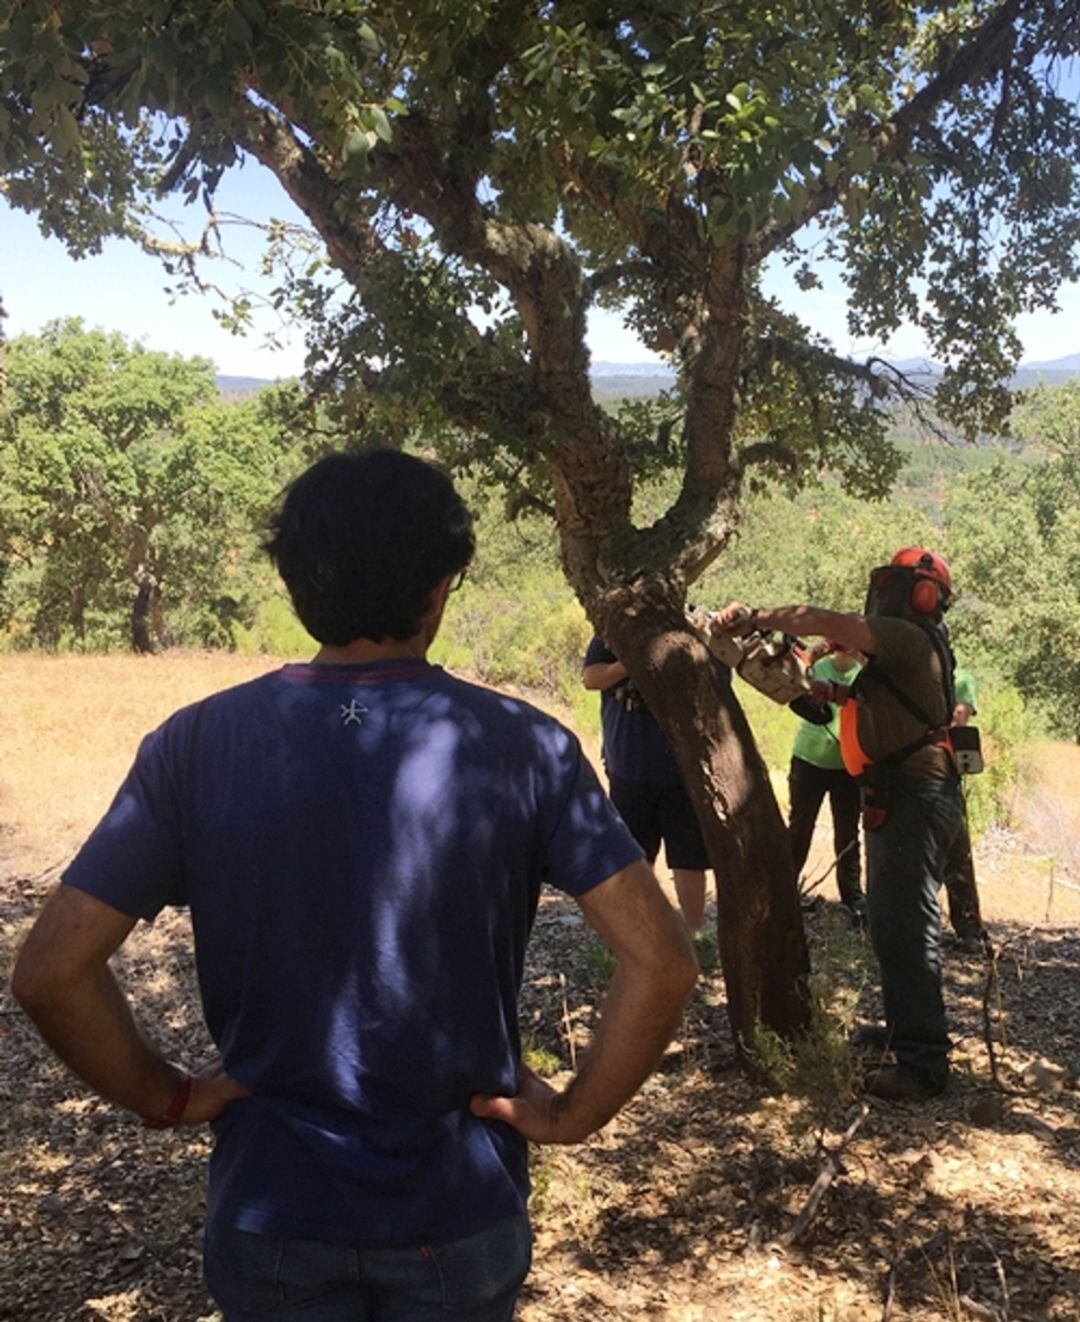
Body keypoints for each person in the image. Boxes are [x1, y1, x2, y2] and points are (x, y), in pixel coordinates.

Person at [13, 450, 698, 1321]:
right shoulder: (527, 748)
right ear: (441, 587)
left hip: (271, 1208)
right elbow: (663, 962)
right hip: (458, 1212)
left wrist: (166, 1094)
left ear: (297, 585)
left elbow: (49, 973)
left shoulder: (195, 746)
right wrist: (573, 1114)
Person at [710, 547, 963, 1103]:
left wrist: (757, 617)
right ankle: (906, 1032)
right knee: (893, 922)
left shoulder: (907, 638)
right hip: (900, 794)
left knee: (906, 925)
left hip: (913, 795)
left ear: (918, 593)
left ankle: (923, 1063)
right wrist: (829, 692)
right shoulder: (905, 649)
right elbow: (883, 702)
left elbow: (823, 621)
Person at [582, 637, 713, 932]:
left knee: (688, 860)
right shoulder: (613, 630)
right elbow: (591, 678)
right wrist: (631, 661)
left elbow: (718, 681)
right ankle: (638, 932)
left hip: (683, 772)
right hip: (628, 767)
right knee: (634, 857)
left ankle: (694, 935)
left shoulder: (690, 631)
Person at [788, 642, 867, 926]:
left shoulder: (862, 674)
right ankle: (785, 890)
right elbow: (797, 685)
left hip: (848, 764)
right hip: (809, 760)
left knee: (847, 832)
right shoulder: (818, 669)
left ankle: (853, 897)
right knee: (800, 827)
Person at [941, 666, 986, 945]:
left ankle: (969, 930)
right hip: (907, 777)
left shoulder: (963, 679)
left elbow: (959, 717)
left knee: (956, 854)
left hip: (946, 777)